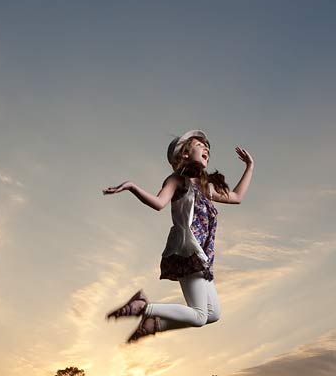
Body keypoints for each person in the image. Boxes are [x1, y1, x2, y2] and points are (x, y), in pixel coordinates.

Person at [102, 130, 254, 342]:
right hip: (186, 250)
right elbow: (158, 203)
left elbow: (237, 197)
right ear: (184, 153)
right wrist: (132, 187)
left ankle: (155, 324)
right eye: (200, 145)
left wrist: (249, 166)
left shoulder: (204, 187)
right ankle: (143, 307)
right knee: (200, 316)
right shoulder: (177, 180)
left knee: (213, 314)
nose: (206, 148)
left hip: (202, 256)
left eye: (207, 147)